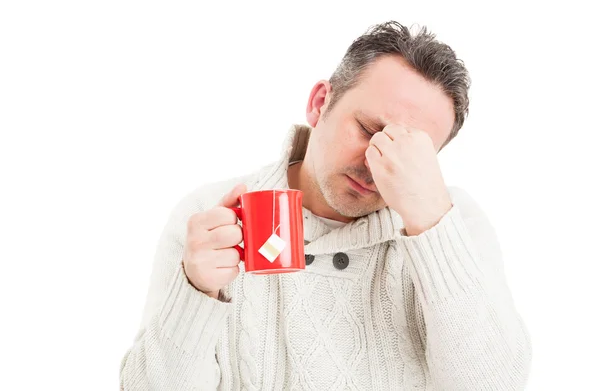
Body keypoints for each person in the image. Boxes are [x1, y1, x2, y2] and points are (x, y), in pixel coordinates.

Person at [120, 21, 531, 390]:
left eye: (410, 151)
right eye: (369, 130)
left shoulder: (454, 224)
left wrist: (431, 225)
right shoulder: (211, 215)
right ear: (320, 103)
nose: (376, 164)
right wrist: (195, 293)